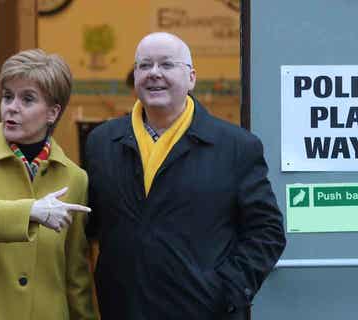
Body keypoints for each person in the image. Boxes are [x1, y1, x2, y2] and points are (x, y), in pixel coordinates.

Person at [84, 32, 286, 320]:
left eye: (167, 65)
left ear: (191, 77)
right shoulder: (102, 142)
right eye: (144, 65)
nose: (154, 73)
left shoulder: (235, 146)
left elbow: (267, 232)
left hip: (205, 312)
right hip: (124, 310)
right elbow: (91, 226)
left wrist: (228, 290)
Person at [0, 49, 97, 320]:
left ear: (52, 112)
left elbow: (76, 273)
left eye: (27, 99)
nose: (12, 107)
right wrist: (31, 212)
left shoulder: (74, 177)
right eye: (8, 96)